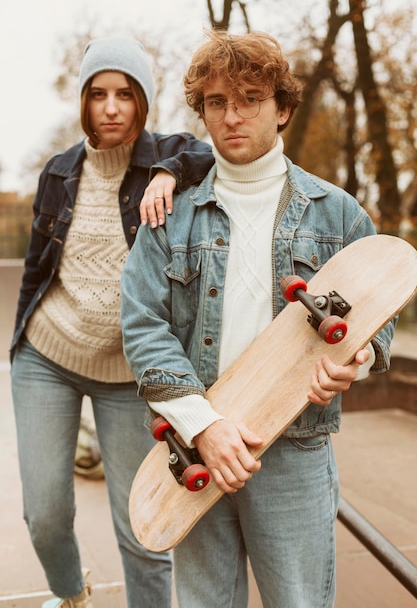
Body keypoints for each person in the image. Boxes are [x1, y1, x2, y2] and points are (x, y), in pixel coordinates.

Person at [121, 30, 395, 608]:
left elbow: (381, 314)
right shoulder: (168, 217)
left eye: (250, 97)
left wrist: (357, 360)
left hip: (296, 450)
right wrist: (202, 424)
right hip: (199, 446)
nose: (232, 115)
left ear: (283, 108)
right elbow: (144, 326)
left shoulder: (337, 212)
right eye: (217, 102)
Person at [10, 36, 214, 608]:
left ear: (142, 101)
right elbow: (35, 268)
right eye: (97, 93)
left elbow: (214, 153)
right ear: (83, 101)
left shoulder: (170, 157)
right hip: (47, 358)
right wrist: (17, 344)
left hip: (129, 374)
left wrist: (169, 172)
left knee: (142, 528)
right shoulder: (58, 172)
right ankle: (71, 594)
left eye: (126, 93)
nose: (111, 107)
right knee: (45, 511)